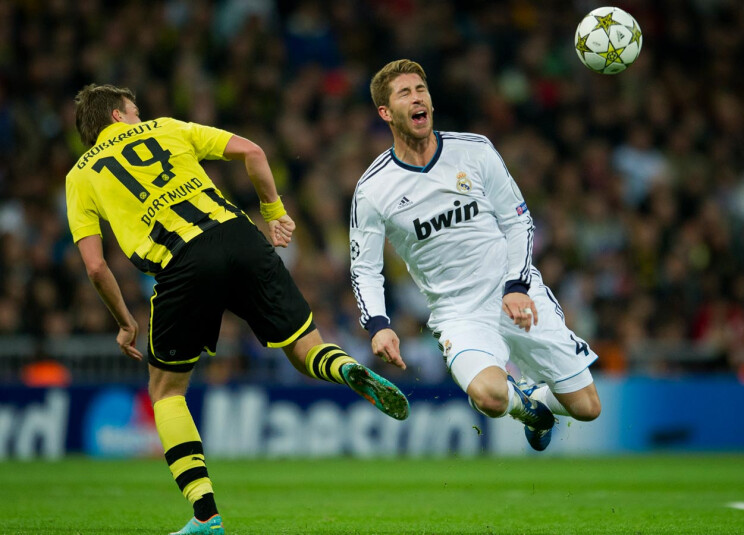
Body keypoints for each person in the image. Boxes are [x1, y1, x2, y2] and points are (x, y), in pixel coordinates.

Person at [66, 84, 409, 535]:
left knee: (167, 391)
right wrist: (274, 210)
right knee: (305, 349)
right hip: (239, 235)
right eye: (135, 111)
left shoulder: (80, 176)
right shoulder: (167, 128)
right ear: (116, 115)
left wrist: (125, 322)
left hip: (181, 261)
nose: (140, 117)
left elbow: (95, 266)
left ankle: (205, 514)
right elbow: (252, 151)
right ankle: (345, 367)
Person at [350, 59, 601, 452]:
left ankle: (533, 395)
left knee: (587, 408)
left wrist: (516, 286)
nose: (417, 98)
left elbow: (518, 221)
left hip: (515, 292)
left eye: (421, 90)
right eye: (405, 93)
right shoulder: (373, 189)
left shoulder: (475, 151)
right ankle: (526, 408)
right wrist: (378, 325)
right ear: (385, 113)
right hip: (459, 314)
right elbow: (365, 268)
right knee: (490, 397)